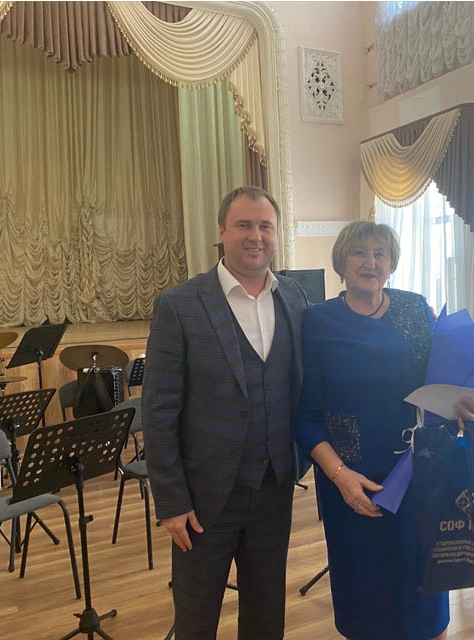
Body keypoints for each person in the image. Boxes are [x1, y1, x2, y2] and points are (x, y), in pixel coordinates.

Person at [294, 220, 474, 640]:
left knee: (426, 604)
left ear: (392, 263)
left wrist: (468, 400)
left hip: (419, 473)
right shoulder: (318, 320)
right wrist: (340, 477)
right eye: (359, 252)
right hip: (353, 483)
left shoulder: (415, 308)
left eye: (380, 253)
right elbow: (306, 417)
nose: (371, 262)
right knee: (365, 605)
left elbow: (442, 383)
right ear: (341, 262)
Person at [143, 186, 312, 640]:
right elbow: (158, 411)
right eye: (243, 225)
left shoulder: (294, 297)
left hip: (274, 488)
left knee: (266, 616)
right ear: (221, 232)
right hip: (203, 500)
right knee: (196, 621)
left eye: (265, 226)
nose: (255, 236)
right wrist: (172, 502)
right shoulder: (179, 305)